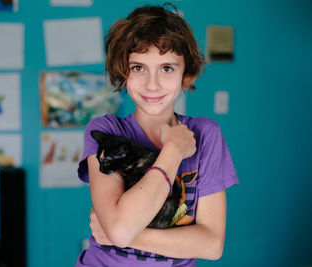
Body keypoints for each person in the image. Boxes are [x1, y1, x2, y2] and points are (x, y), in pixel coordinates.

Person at [75, 4, 239, 266]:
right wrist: (173, 150)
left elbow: (211, 245)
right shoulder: (107, 132)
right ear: (123, 70)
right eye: (138, 67)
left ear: (185, 72)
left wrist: (124, 235)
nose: (153, 84)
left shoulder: (206, 134)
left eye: (167, 68)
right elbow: (119, 229)